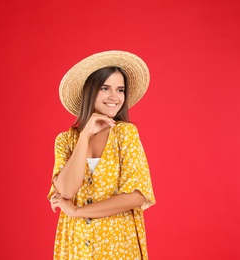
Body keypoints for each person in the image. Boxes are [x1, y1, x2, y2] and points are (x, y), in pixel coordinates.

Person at [48, 50, 155, 260]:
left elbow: (136, 196)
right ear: (89, 91)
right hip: (76, 243)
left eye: (120, 90)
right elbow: (66, 191)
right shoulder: (66, 141)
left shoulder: (125, 134)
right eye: (105, 88)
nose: (115, 97)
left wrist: (77, 212)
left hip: (118, 244)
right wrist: (85, 135)